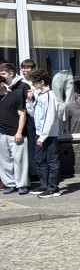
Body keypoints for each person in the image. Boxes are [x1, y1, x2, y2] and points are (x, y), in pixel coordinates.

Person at [27, 70, 61, 197]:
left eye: (35, 82)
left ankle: (53, 187)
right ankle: (44, 184)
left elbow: (50, 117)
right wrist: (29, 101)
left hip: (48, 134)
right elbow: (33, 114)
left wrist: (43, 135)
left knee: (52, 160)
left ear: (42, 82)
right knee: (40, 159)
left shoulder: (50, 96)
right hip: (40, 132)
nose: (33, 85)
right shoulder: (39, 95)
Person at [0, 61, 30, 194]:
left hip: (15, 132)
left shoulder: (15, 96)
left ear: (2, 84)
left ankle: (22, 184)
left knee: (20, 159)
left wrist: (19, 132)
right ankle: (9, 183)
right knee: (4, 160)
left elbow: (22, 114)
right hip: (1, 133)